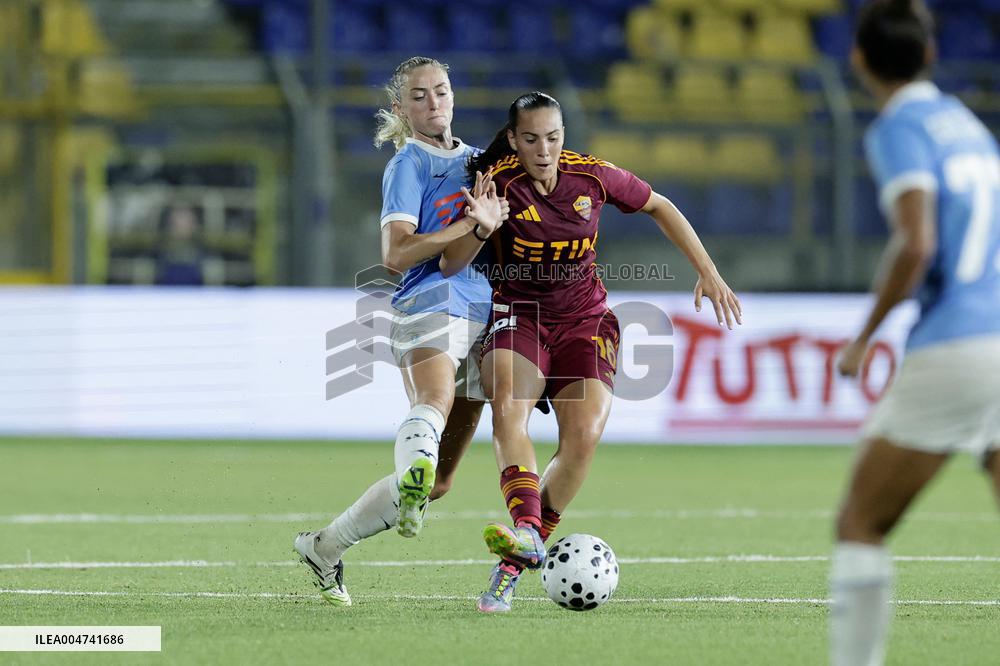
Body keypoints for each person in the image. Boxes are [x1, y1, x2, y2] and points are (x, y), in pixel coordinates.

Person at [454, 91, 742, 612]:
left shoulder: (593, 177)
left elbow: (659, 204)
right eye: (532, 139)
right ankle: (525, 528)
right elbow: (455, 260)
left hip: (585, 321)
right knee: (508, 409)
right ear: (514, 140)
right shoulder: (495, 186)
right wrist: (480, 227)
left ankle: (513, 563)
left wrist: (708, 270)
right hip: (519, 315)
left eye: (554, 137)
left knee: (582, 439)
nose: (545, 149)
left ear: (564, 136)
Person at [293, 56, 506, 606]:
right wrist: (469, 222)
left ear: (454, 97)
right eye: (419, 96)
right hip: (428, 301)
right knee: (434, 400)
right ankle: (412, 469)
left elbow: (477, 247)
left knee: (438, 483)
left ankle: (324, 546)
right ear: (400, 109)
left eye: (440, 91)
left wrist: (486, 228)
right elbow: (395, 253)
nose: (433, 103)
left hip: (481, 310)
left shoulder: (481, 162)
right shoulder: (408, 165)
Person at [830, 1, 1000, 663]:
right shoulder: (968, 125)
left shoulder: (899, 126)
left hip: (959, 342)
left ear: (859, 60)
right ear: (930, 55)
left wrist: (866, 335)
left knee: (861, 523)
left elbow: (917, 242)